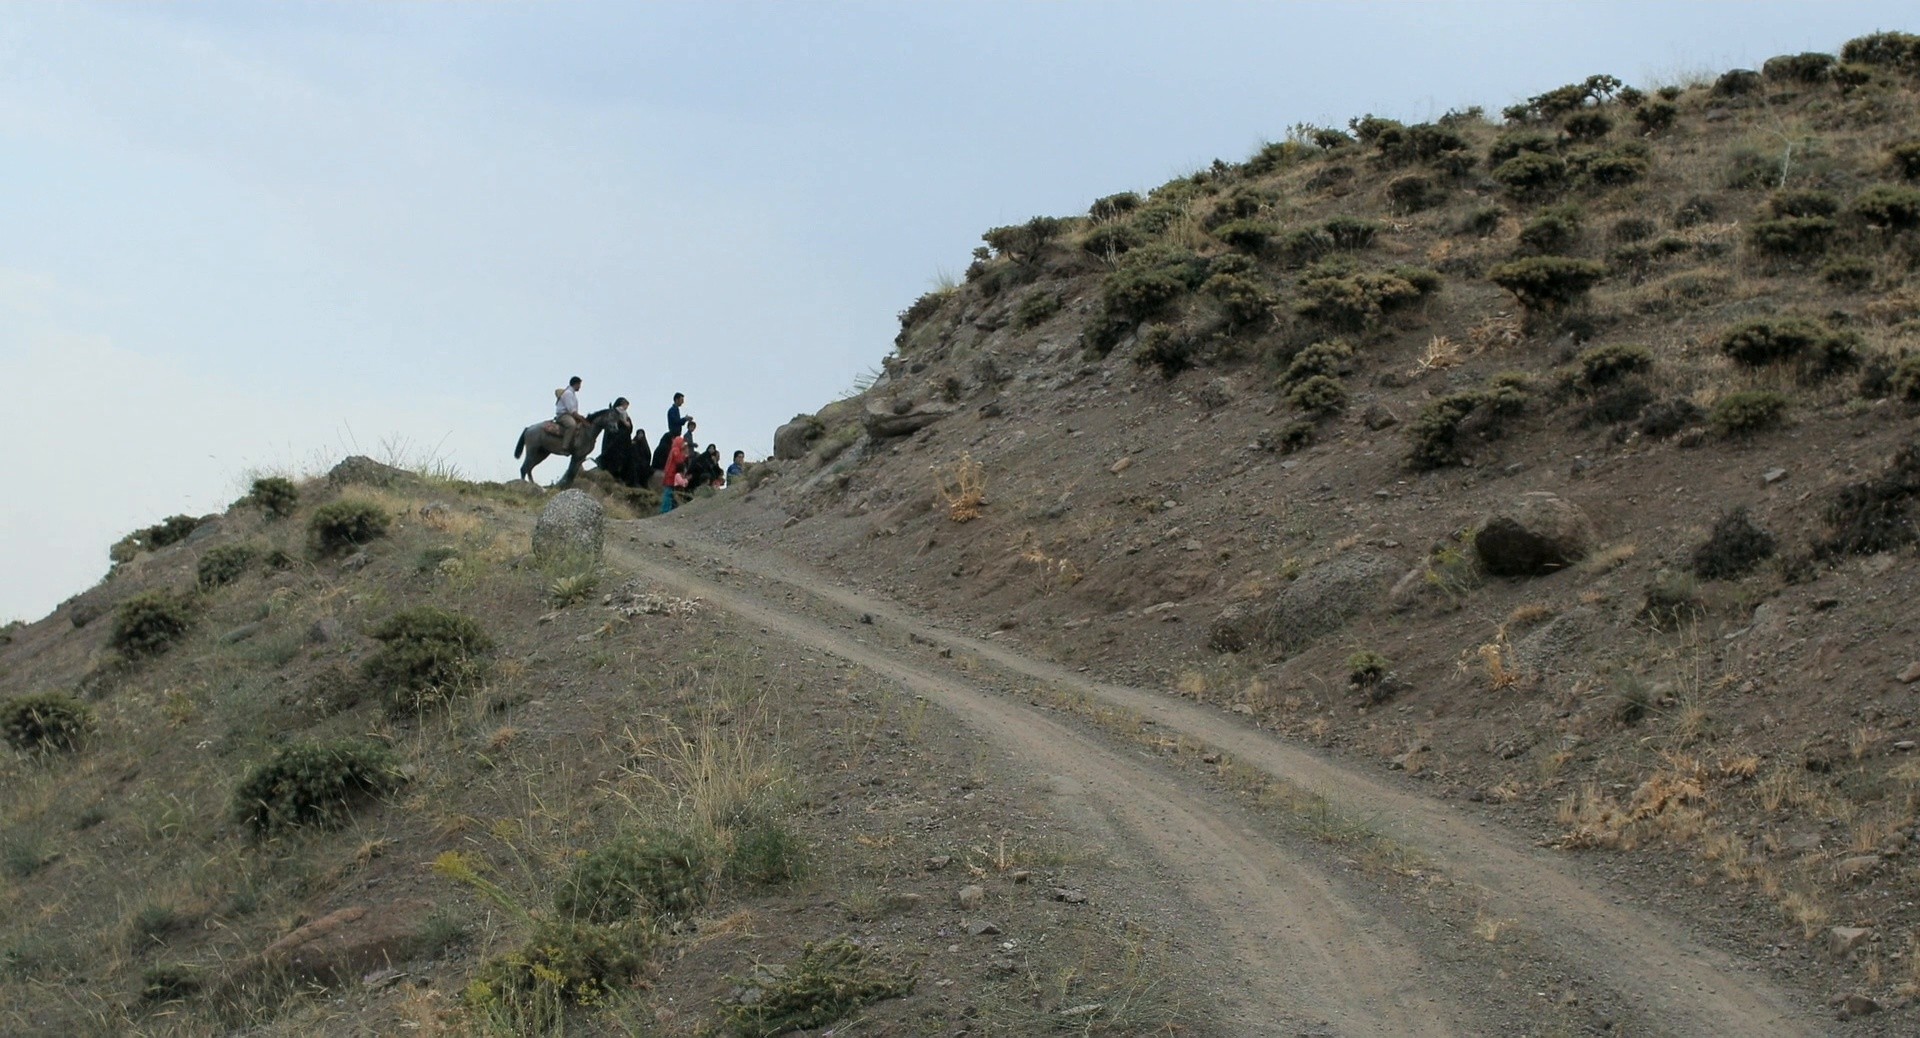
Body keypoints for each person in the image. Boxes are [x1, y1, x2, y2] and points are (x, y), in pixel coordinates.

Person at [660, 432, 689, 513]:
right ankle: (665, 510)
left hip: (671, 475)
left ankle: (668, 510)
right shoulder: (675, 450)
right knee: (668, 493)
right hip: (671, 475)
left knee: (670, 493)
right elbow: (678, 461)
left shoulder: (674, 449)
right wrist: (685, 456)